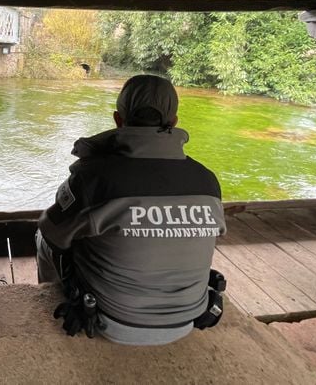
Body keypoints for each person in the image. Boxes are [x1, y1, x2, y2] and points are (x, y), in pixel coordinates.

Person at [36, 74, 227, 345]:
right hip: (187, 320)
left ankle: (49, 294)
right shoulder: (207, 180)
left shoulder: (95, 177)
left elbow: (54, 233)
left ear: (118, 120)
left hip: (113, 322)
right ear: (173, 123)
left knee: (45, 236)